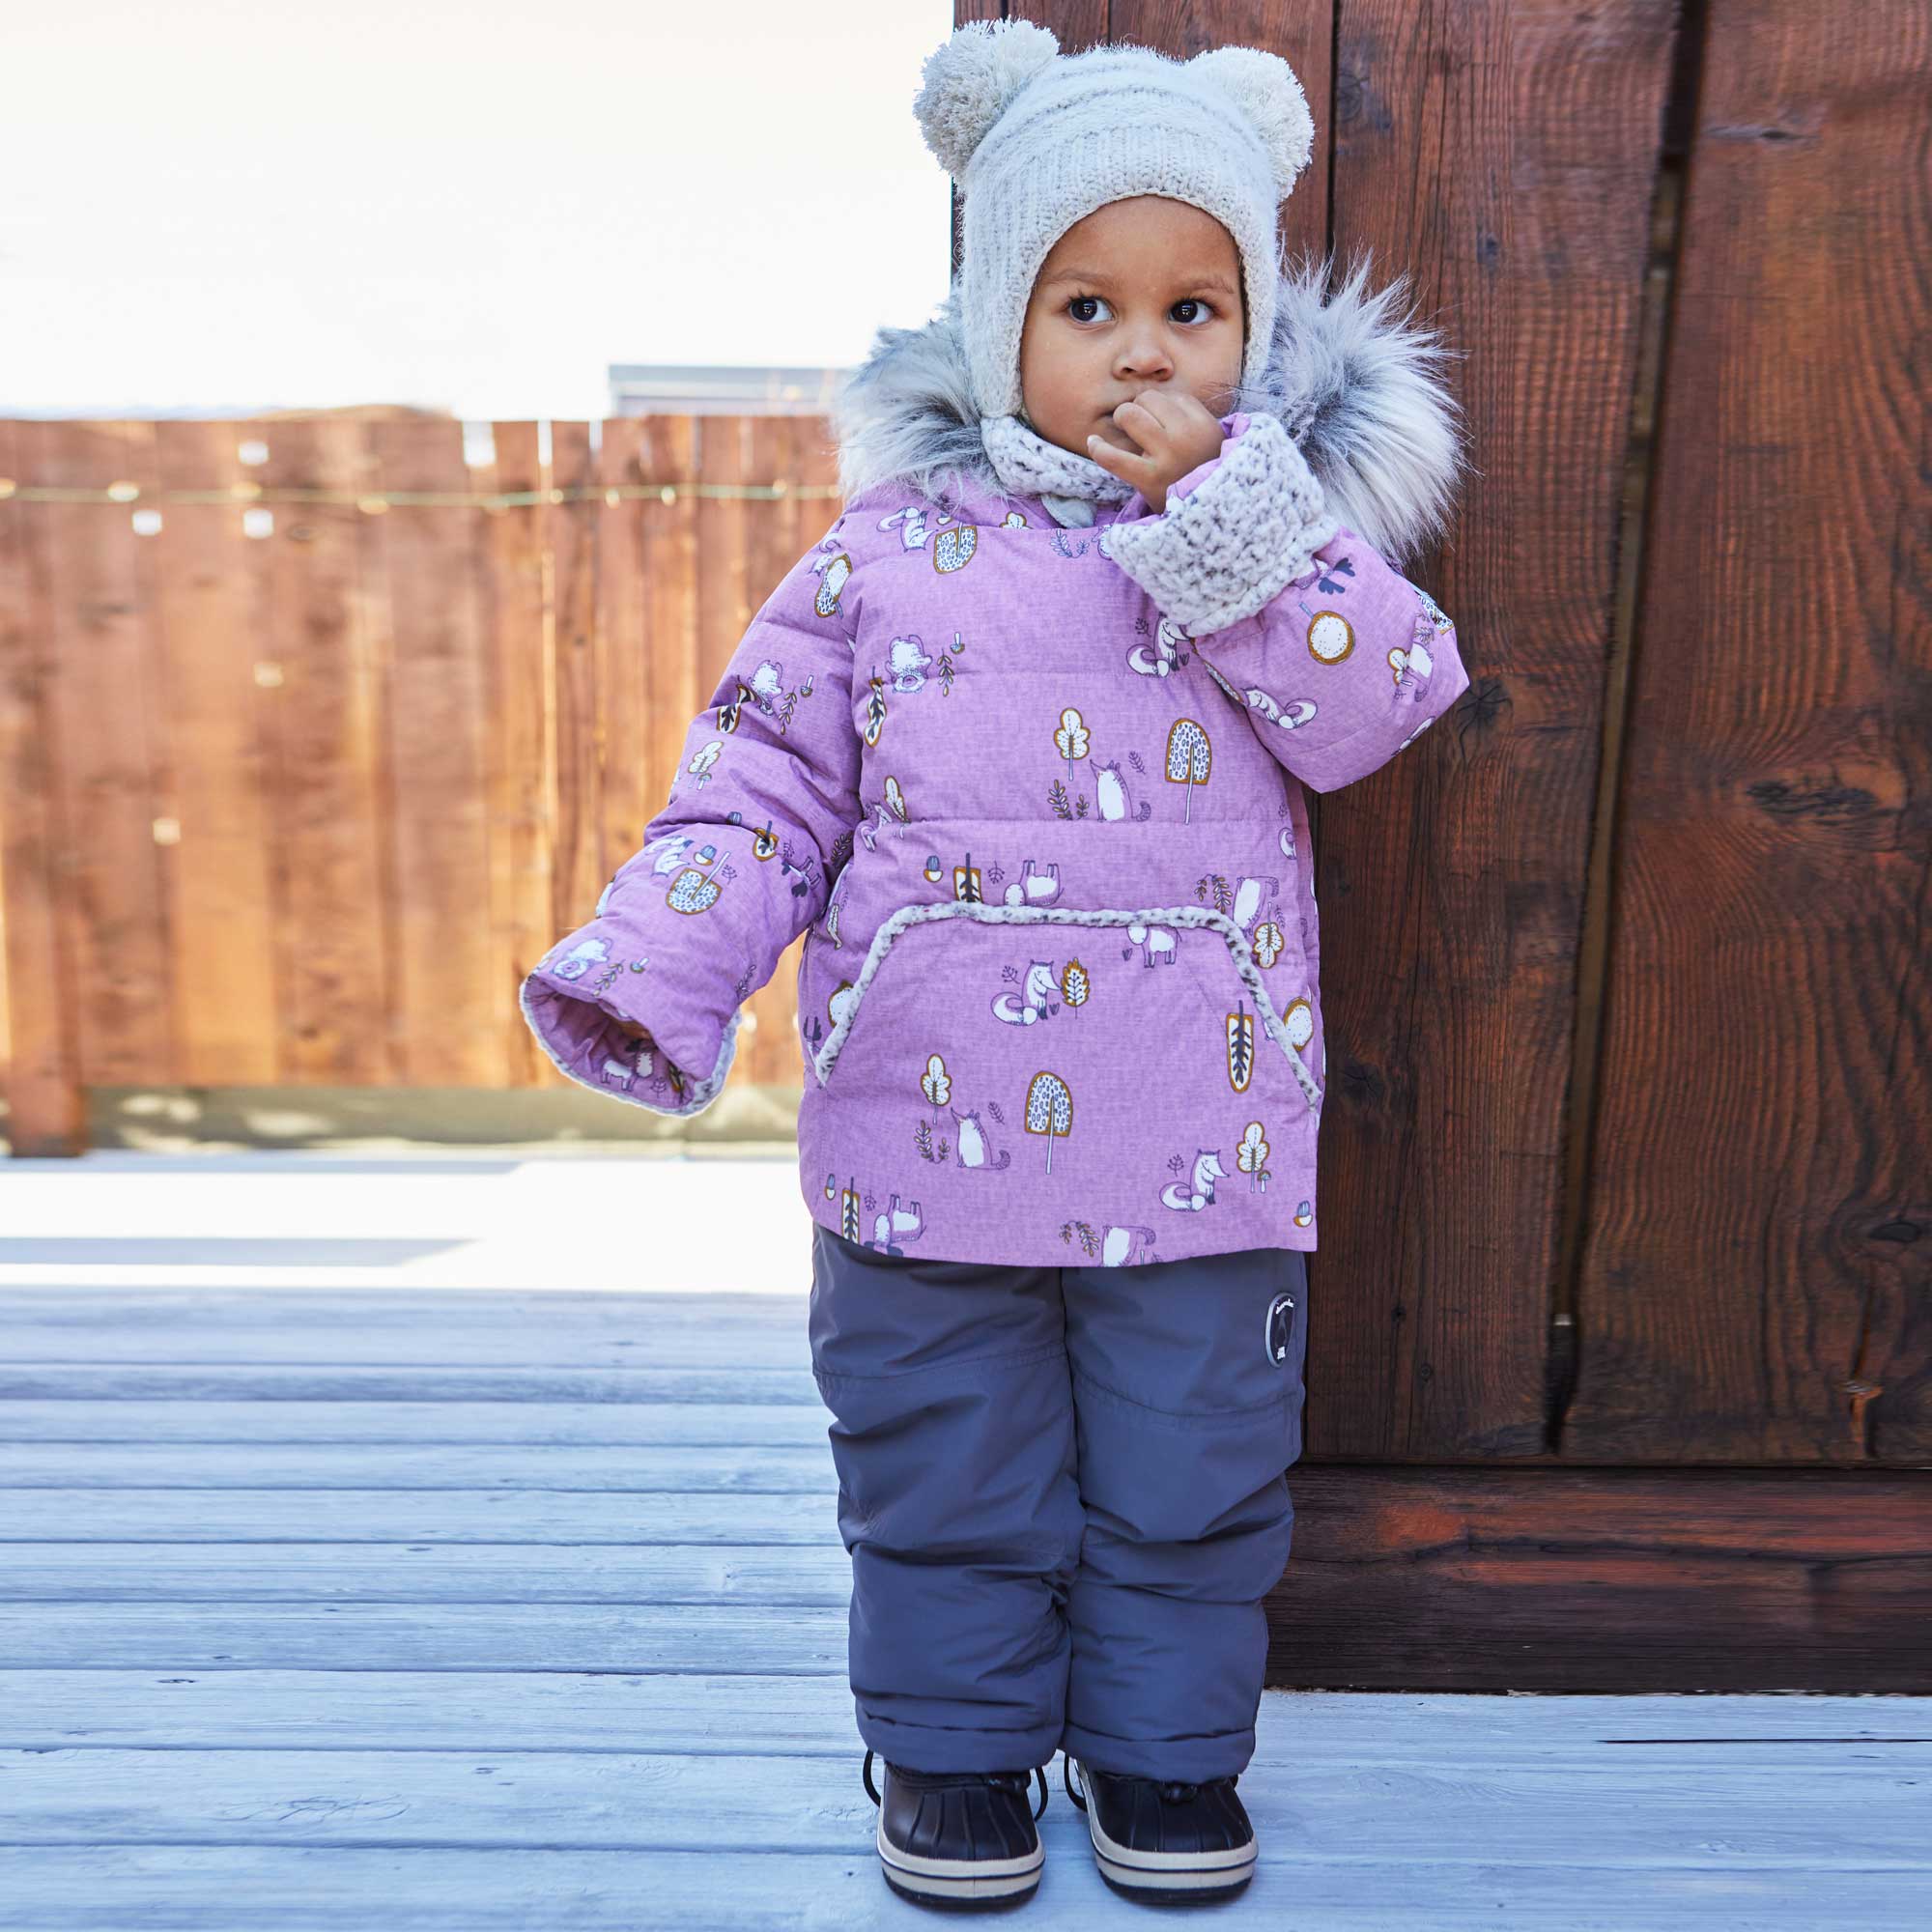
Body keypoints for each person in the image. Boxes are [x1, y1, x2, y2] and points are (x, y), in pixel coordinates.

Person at [519, 19, 1473, 1912]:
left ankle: (1162, 1754)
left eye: (1193, 306)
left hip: (1195, 1140)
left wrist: (1227, 512)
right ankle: (952, 1753)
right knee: (943, 1473)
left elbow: (1380, 708)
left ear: (1252, 331)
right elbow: (755, 790)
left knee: (1186, 1484)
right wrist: (660, 964)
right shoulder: (882, 565)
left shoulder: (1273, 543)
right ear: (992, 323)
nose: (1142, 348)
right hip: (922, 1132)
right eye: (1087, 302)